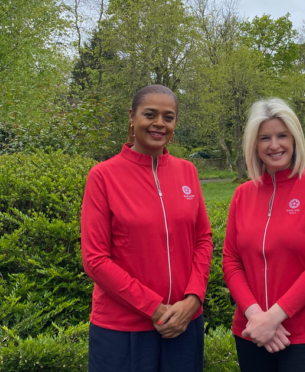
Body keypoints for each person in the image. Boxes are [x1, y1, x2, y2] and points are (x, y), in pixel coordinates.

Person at [81, 85, 213, 372]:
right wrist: (155, 308)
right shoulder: (104, 176)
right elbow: (95, 260)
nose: (159, 124)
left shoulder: (187, 171)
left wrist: (193, 299)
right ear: (132, 116)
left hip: (183, 323)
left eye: (168, 117)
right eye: (150, 114)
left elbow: (203, 239)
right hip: (123, 329)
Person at [222, 98, 305, 372]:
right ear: (254, 144)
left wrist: (274, 317)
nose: (274, 145)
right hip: (251, 332)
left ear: (295, 138)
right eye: (265, 137)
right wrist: (257, 317)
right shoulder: (242, 195)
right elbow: (231, 262)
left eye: (281, 135)